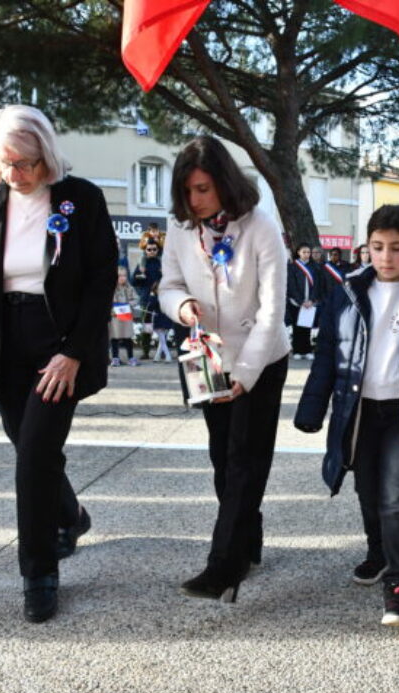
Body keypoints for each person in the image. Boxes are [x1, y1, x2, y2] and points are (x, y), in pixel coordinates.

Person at [0, 105, 117, 622]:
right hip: (4, 342)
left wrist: (74, 353)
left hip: (57, 343)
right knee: (30, 449)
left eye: (23, 163)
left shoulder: (79, 198)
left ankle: (38, 572)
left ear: (45, 155)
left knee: (33, 457)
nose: (13, 174)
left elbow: (100, 280)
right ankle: (71, 515)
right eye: (3, 161)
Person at [294, 204, 399, 628]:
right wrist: (312, 407)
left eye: (397, 248)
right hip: (359, 412)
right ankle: (377, 553)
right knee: (367, 492)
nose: (386, 257)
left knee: (396, 498)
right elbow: (328, 356)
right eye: (377, 247)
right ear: (365, 247)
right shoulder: (347, 292)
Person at [159, 135, 289, 601]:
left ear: (225, 184)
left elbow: (273, 311)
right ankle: (248, 542)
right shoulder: (179, 228)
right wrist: (183, 306)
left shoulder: (261, 227)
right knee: (222, 459)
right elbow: (167, 285)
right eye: (188, 191)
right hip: (208, 357)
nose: (195, 200)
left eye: (204, 190)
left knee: (244, 462)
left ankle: (223, 567)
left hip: (261, 358)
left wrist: (247, 373)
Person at [287, 243, 322, 359]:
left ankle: (307, 350)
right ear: (298, 252)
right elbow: (291, 286)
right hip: (297, 302)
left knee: (307, 327)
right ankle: (297, 350)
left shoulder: (314, 267)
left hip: (310, 302)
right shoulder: (292, 267)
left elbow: (317, 285)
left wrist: (311, 300)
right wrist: (301, 301)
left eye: (308, 252)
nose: (306, 255)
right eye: (304, 252)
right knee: (297, 327)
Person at [132, 238, 162, 359]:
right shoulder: (141, 264)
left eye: (154, 249)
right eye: (149, 249)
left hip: (162, 299)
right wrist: (140, 276)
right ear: (146, 250)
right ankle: (145, 352)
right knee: (146, 326)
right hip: (146, 300)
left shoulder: (163, 263)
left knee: (163, 326)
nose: (151, 251)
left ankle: (163, 351)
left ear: (157, 250)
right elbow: (133, 281)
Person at [109, 266, 139, 367]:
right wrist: (112, 310)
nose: (123, 278)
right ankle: (115, 358)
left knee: (127, 337)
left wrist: (129, 304)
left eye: (124, 276)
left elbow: (136, 299)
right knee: (115, 338)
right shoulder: (111, 288)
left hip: (126, 316)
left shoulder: (129, 288)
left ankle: (131, 357)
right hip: (115, 317)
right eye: (120, 276)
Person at [147, 281, 174, 362]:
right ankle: (157, 357)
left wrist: (152, 296)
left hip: (160, 319)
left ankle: (168, 356)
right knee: (162, 339)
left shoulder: (155, 297)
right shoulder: (166, 296)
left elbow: (151, 307)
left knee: (162, 340)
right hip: (164, 319)